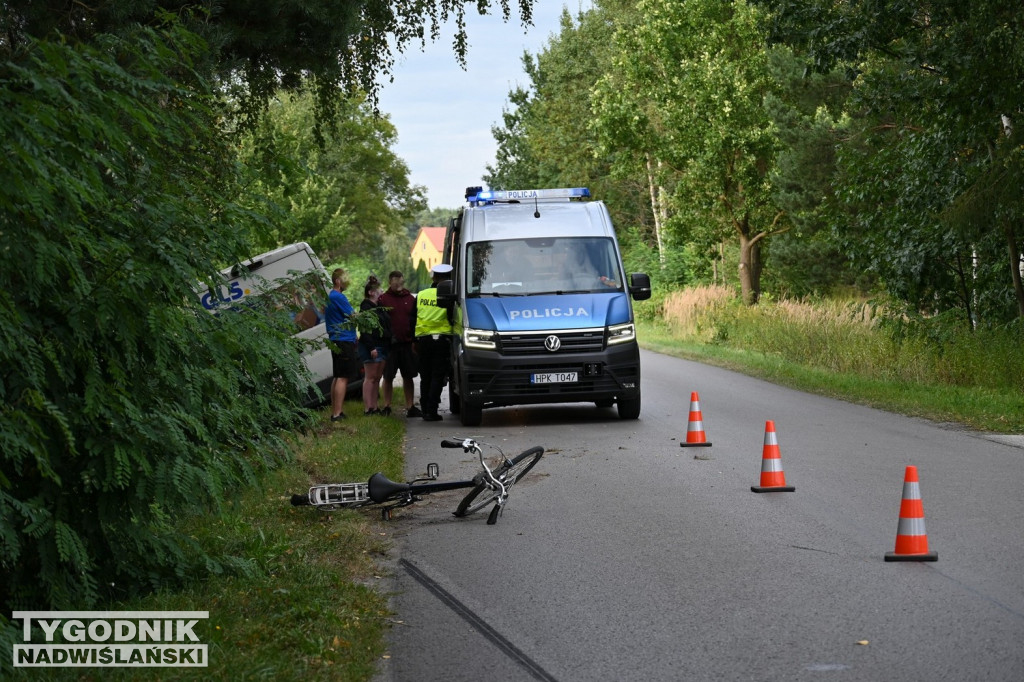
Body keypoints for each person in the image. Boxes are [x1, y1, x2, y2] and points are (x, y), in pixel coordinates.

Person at [414, 264, 455, 422]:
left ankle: (425, 409)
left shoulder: (422, 294)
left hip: (423, 340)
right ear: (449, 278)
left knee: (425, 376)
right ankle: (431, 411)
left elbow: (413, 318)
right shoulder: (449, 294)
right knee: (438, 376)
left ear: (433, 277)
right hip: (442, 340)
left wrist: (413, 340)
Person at [379, 270, 421, 417]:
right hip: (390, 345)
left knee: (408, 376)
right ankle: (386, 406)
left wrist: (415, 340)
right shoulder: (383, 299)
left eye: (401, 282)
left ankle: (410, 406)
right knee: (388, 376)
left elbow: (416, 320)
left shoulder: (410, 299)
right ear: (390, 282)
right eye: (396, 282)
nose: (399, 285)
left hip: (407, 344)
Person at [325, 268, 359, 421]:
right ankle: (337, 414)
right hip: (343, 340)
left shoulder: (331, 296)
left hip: (336, 339)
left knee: (338, 375)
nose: (347, 282)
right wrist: (360, 316)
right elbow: (352, 316)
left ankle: (335, 411)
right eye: (344, 279)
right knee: (343, 377)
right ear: (338, 281)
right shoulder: (338, 297)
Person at [358, 275, 390, 416]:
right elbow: (365, 330)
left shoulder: (379, 307)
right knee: (370, 377)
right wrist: (371, 348)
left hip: (382, 345)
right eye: (378, 290)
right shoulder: (366, 307)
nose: (381, 291)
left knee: (377, 378)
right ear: (371, 292)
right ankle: (368, 408)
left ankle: (375, 406)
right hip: (372, 347)